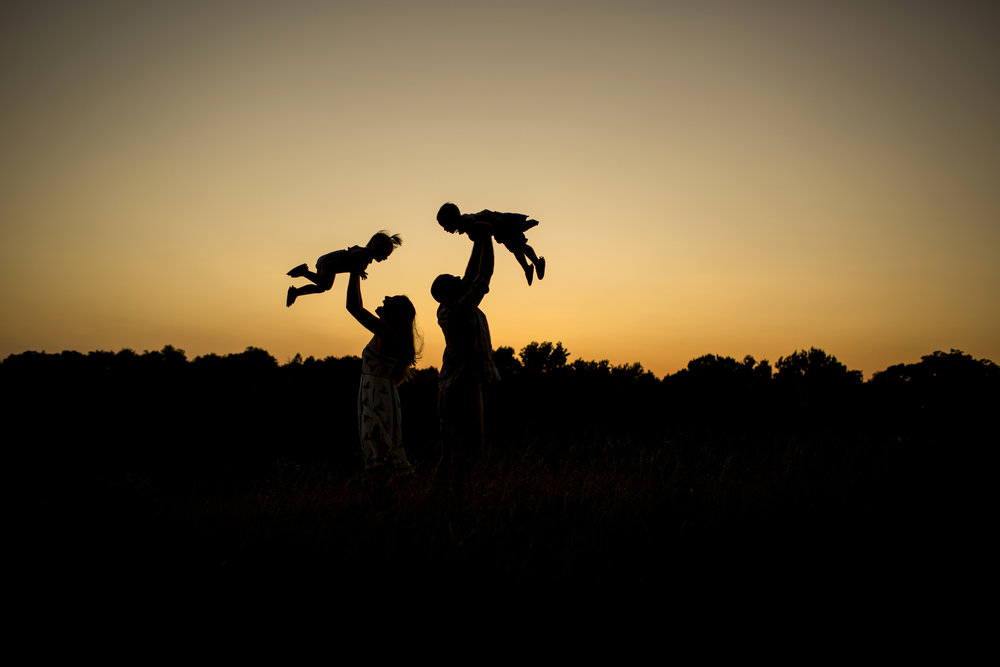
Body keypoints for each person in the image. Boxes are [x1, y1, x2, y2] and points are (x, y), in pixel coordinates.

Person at [431, 229, 500, 463]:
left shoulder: (453, 305)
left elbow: (470, 274)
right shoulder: (458, 310)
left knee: (454, 449)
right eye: (455, 280)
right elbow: (483, 277)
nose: (461, 279)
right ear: (450, 292)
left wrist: (478, 240)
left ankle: (446, 491)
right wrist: (488, 237)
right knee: (471, 449)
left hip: (457, 383)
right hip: (462, 384)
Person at [346, 269, 419, 476]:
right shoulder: (389, 334)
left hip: (377, 398)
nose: (385, 298)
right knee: (381, 449)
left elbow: (353, 307)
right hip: (376, 396)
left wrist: (353, 271)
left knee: (382, 450)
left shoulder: (387, 333)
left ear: (395, 313)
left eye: (391, 299)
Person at [437, 202, 545, 286]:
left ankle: (537, 262)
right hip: (499, 229)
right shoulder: (466, 224)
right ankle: (527, 268)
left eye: (445, 225)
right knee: (515, 248)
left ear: (453, 218)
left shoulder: (469, 223)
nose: (446, 229)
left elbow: (484, 227)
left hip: (502, 225)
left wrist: (488, 231)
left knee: (520, 245)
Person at [286, 231, 402, 307]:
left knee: (322, 286)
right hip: (330, 263)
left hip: (329, 263)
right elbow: (355, 253)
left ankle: (297, 289)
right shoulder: (365, 254)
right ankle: (303, 273)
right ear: (375, 246)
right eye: (385, 253)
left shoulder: (365, 256)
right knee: (325, 285)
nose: (385, 258)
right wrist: (359, 269)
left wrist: (359, 269)